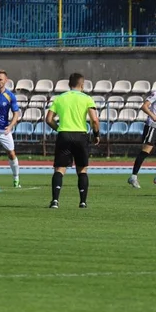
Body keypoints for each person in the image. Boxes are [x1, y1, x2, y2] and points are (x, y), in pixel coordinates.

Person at [45, 72, 100, 209]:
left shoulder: (60, 98)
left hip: (64, 134)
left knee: (59, 169)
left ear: (69, 84)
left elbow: (48, 119)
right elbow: (94, 120)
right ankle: (82, 202)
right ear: (82, 84)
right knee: (82, 170)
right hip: (80, 135)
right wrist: (96, 134)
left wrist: (58, 128)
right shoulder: (87, 98)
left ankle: (55, 201)